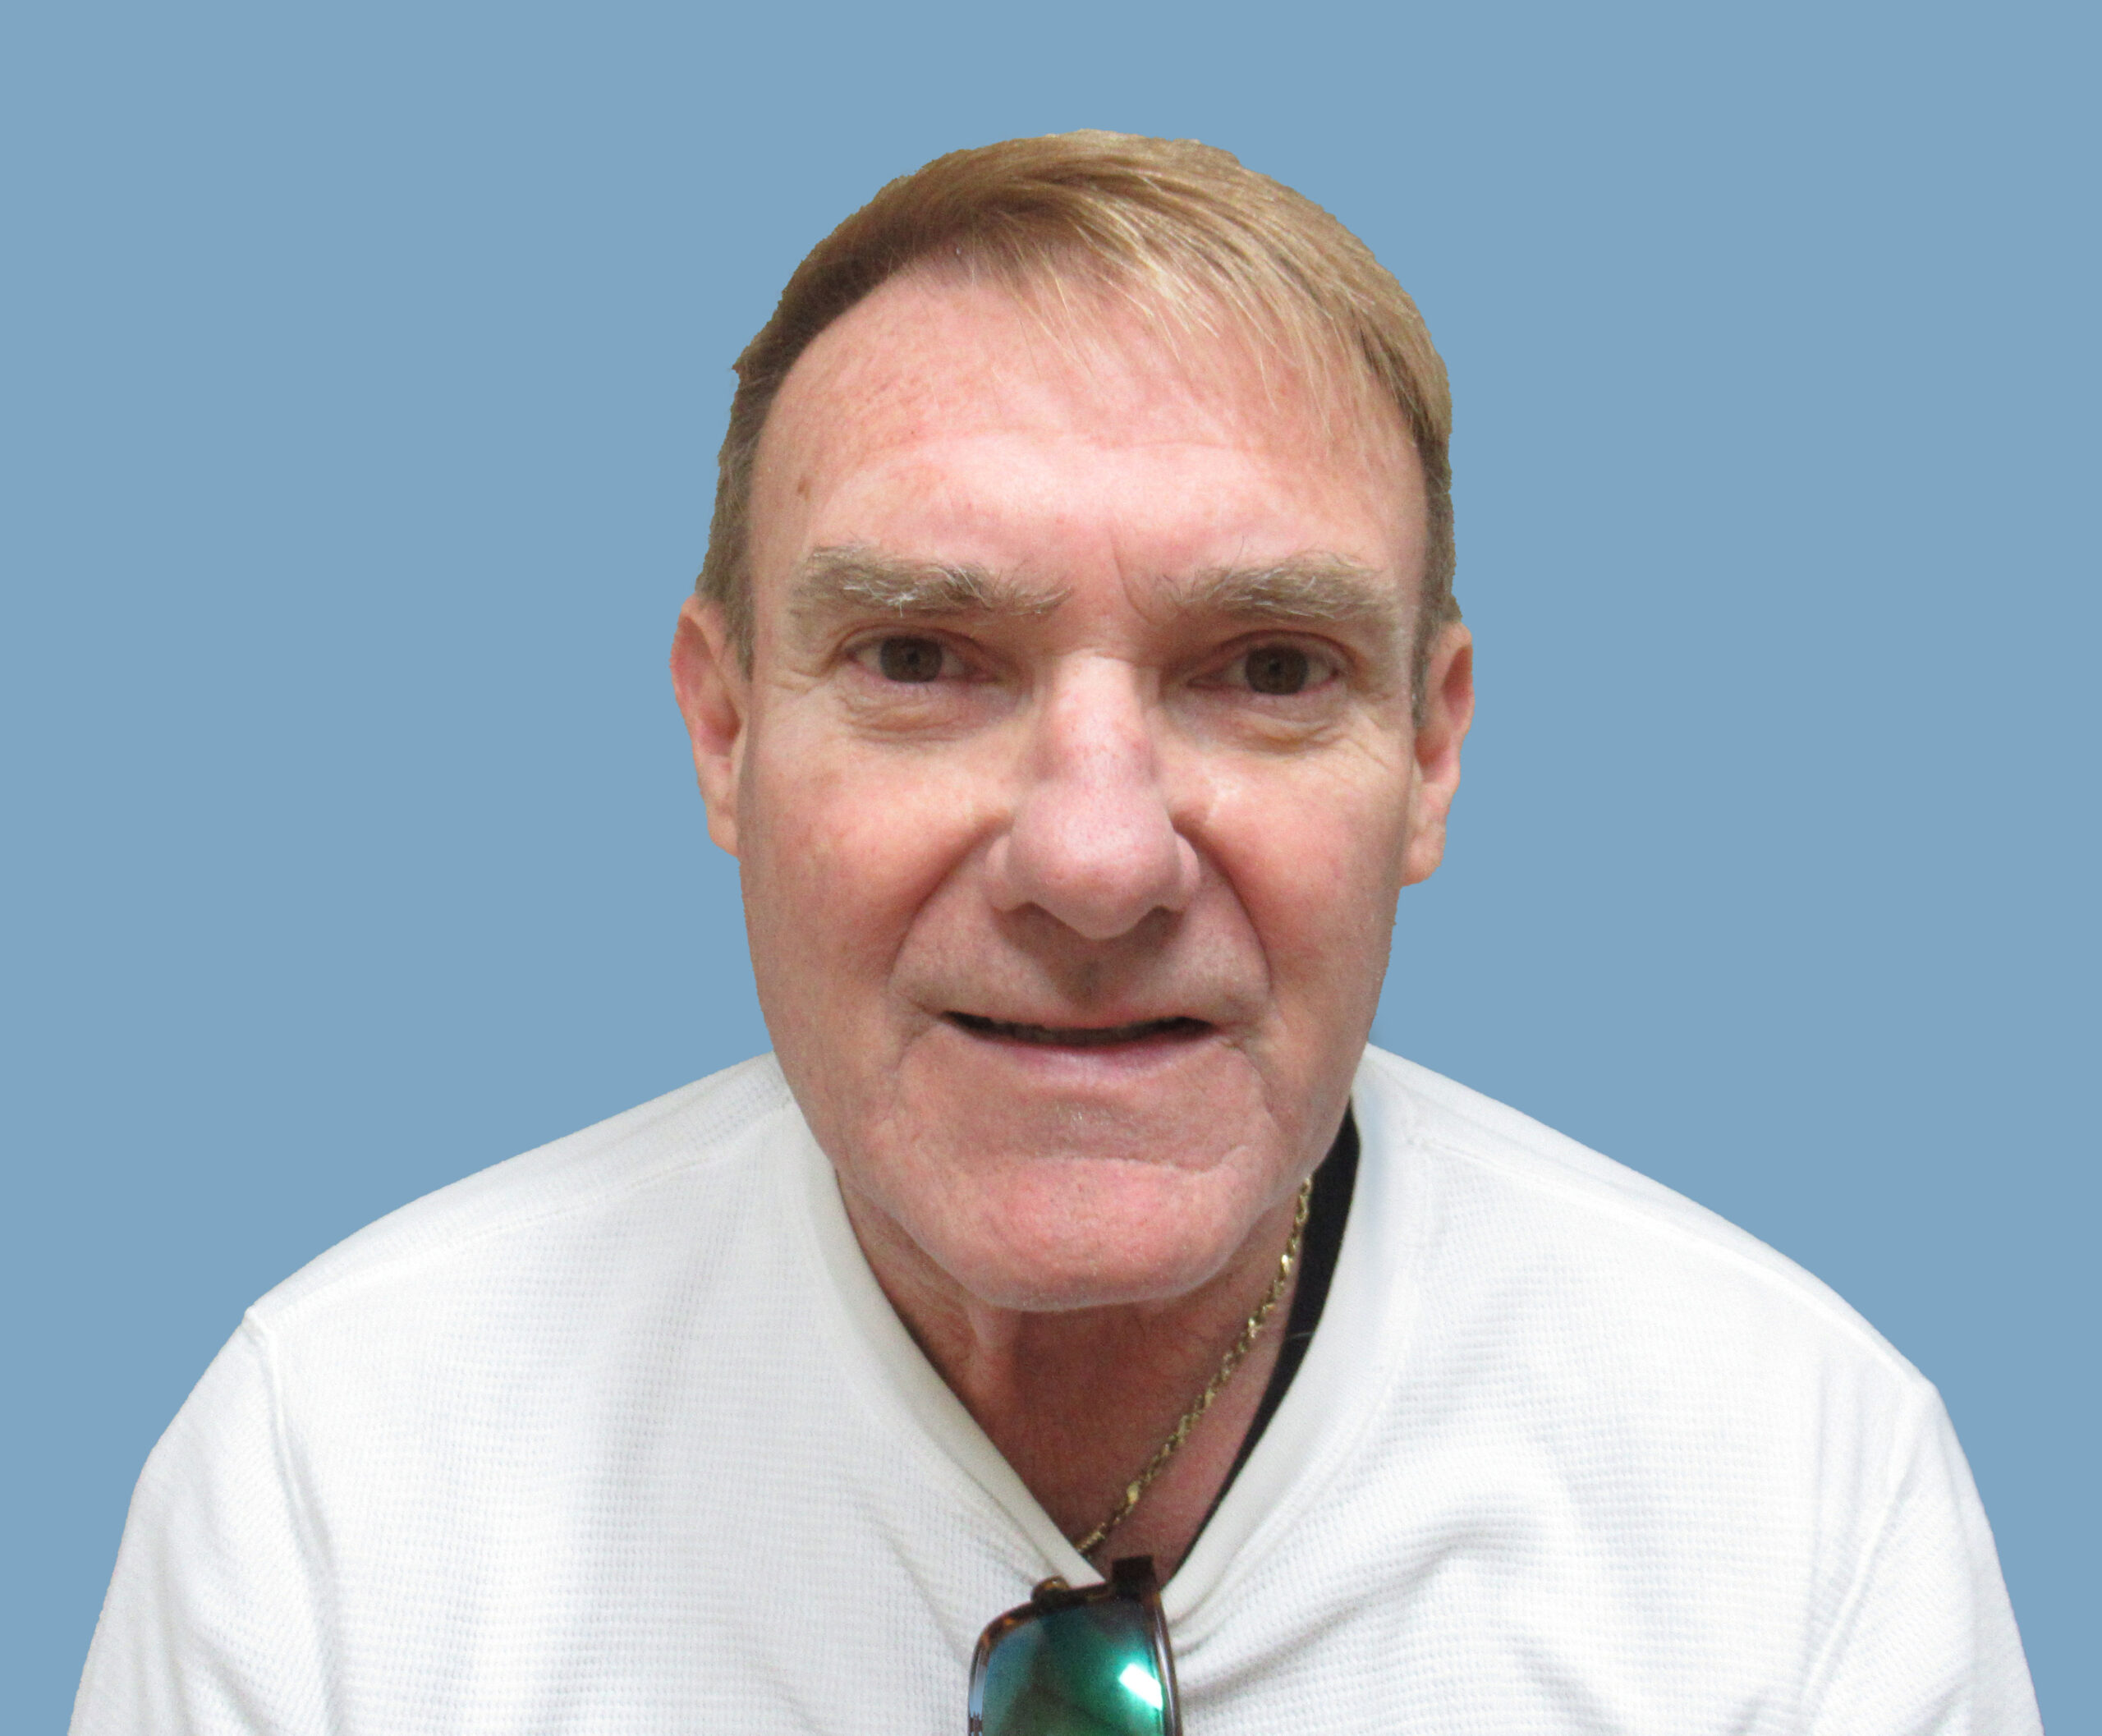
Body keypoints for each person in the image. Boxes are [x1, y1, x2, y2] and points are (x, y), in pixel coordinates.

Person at [72, 131, 2039, 1734]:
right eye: (921, 657)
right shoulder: (335, 1491)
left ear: (1428, 753)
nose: (1095, 863)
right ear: (725, 729)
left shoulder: (1791, 1498)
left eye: (1266, 668)